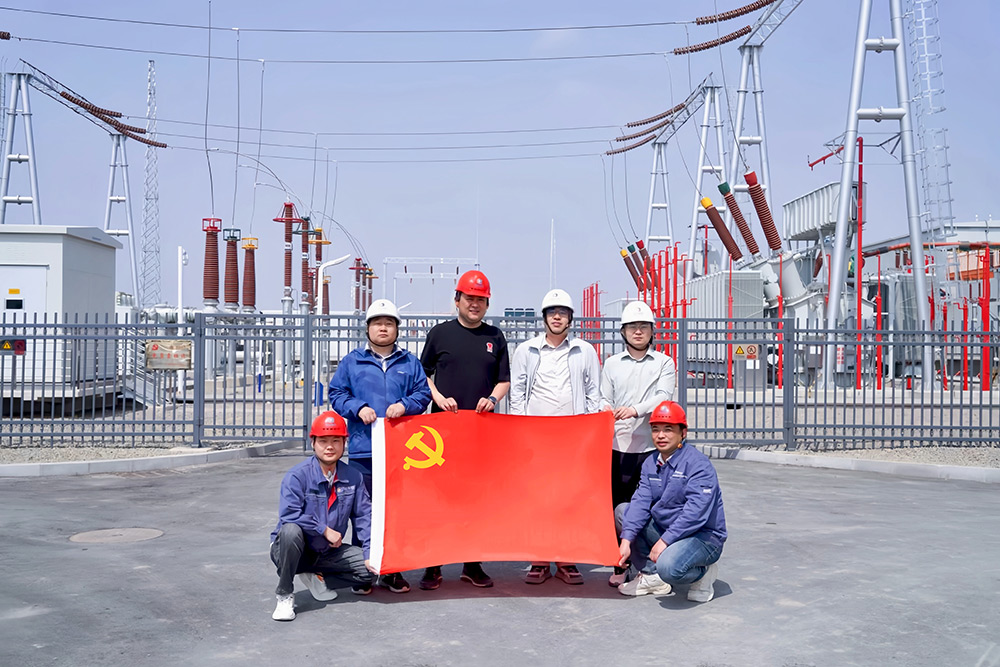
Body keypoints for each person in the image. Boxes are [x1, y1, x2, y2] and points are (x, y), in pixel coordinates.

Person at [329, 298, 432, 594]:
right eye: (377, 323)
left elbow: (423, 393)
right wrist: (358, 407)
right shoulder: (352, 362)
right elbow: (337, 393)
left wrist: (405, 405)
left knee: (396, 512)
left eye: (389, 323)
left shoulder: (409, 362)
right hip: (364, 451)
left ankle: (393, 571)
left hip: (401, 452)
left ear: (397, 329)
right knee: (363, 511)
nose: (383, 328)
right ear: (368, 328)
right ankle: (363, 571)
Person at [417, 269, 510, 590]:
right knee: (440, 499)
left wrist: (492, 399)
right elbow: (422, 375)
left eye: (480, 300)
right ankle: (433, 565)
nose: (474, 304)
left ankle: (472, 563)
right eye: (469, 298)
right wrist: (439, 398)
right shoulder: (440, 334)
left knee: (475, 499)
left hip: (480, 432)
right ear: (457, 300)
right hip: (442, 434)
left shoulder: (495, 337)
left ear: (487, 304)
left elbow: (504, 380)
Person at [509, 288, 601, 585]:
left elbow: (593, 393)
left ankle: (566, 559)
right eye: (552, 312)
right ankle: (538, 560)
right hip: (536, 438)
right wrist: (521, 431)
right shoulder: (527, 350)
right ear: (544, 317)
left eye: (562, 313)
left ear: (570, 318)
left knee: (569, 499)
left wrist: (589, 432)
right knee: (537, 498)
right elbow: (517, 393)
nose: (557, 317)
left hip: (572, 437)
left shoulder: (584, 351)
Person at [269, 411, 376, 621]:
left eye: (336, 441)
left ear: (344, 443)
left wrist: (369, 552)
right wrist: (324, 530)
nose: (330, 447)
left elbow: (364, 516)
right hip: (292, 549)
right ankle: (284, 594)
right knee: (290, 531)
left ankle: (319, 578)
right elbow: (289, 515)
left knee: (372, 570)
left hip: (325, 552)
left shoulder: (353, 477)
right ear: (313, 443)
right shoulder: (297, 476)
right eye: (323, 441)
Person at [616, 401, 727, 602]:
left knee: (668, 567)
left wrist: (663, 542)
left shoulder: (698, 464)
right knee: (624, 511)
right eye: (655, 429)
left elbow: (696, 513)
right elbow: (641, 501)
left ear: (683, 433)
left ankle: (703, 572)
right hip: (668, 529)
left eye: (668, 429)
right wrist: (626, 541)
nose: (660, 435)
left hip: (702, 537)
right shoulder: (651, 463)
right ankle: (652, 577)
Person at [600, 300, 676, 586]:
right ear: (623, 331)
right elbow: (603, 397)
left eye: (644, 326)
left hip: (650, 449)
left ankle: (647, 565)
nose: (638, 331)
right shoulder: (612, 364)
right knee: (615, 509)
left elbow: (663, 396)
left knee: (649, 509)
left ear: (652, 331)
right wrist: (607, 409)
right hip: (617, 448)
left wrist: (635, 410)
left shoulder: (664, 363)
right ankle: (620, 565)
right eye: (632, 326)